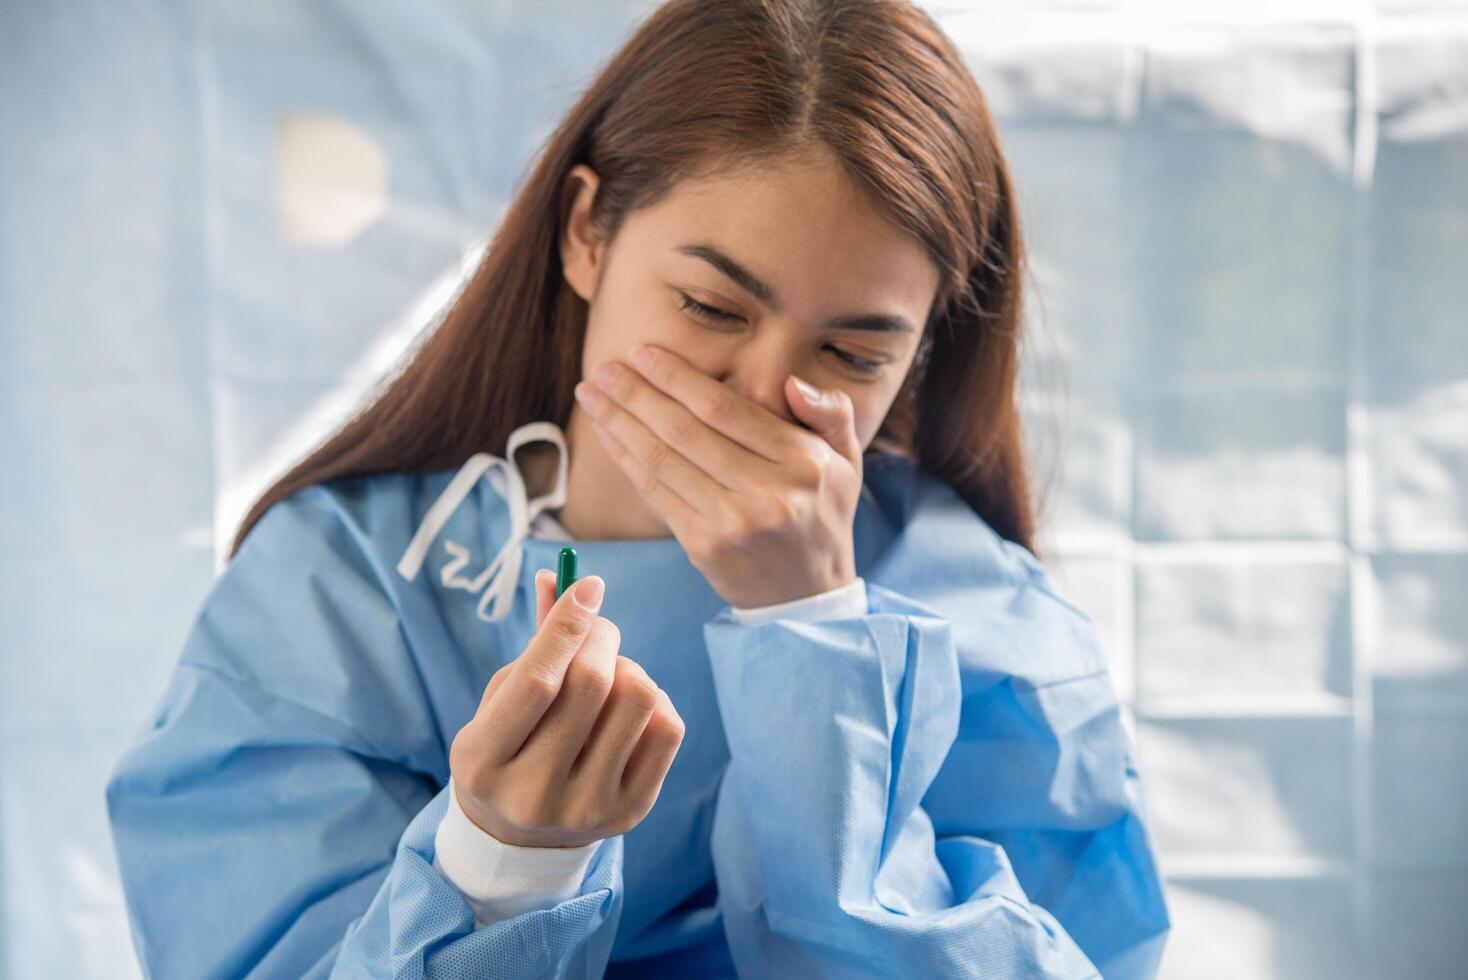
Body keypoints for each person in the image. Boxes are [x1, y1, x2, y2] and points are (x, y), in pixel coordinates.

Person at [105, 0, 1171, 976]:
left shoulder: (985, 620)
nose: (761, 393)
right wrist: (499, 869)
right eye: (711, 306)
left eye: (849, 352)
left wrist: (814, 635)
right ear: (587, 232)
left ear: (924, 346)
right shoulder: (340, 589)